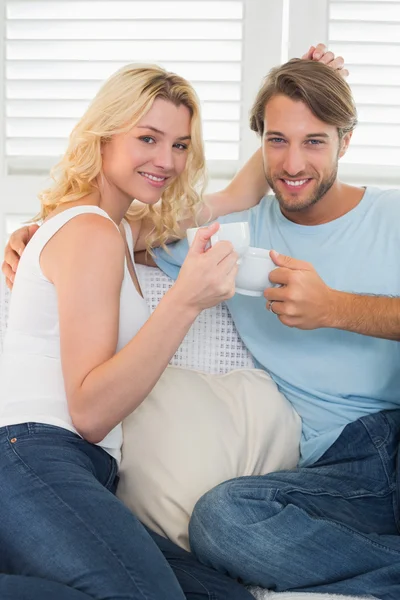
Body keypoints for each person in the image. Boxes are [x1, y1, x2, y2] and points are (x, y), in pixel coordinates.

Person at [1, 46, 349, 600]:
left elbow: (240, 193)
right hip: (33, 456)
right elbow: (89, 411)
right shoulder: (90, 231)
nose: (166, 159)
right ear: (104, 136)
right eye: (148, 138)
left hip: (76, 470)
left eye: (180, 144)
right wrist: (184, 300)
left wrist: (308, 96)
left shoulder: (117, 229)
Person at [138, 59, 399, 600]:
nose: (294, 162)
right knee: (221, 519)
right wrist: (44, 230)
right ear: (259, 144)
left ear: (345, 143)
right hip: (341, 470)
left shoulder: (390, 215)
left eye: (314, 142)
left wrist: (335, 308)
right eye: (277, 140)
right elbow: (126, 229)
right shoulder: (238, 236)